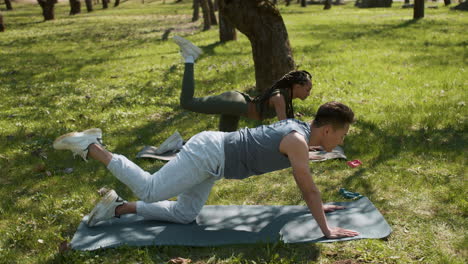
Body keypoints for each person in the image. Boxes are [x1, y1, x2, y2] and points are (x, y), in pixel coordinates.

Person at [53, 101, 359, 239]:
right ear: (329, 130)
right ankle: (92, 146)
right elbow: (308, 188)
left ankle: (119, 208)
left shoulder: (301, 131)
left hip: (214, 158)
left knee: (185, 214)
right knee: (150, 188)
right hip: (209, 154)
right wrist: (325, 229)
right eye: (343, 135)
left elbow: (308, 184)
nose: (343, 140)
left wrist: (317, 207)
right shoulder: (297, 141)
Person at [173, 35, 313, 132]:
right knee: (187, 102)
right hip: (234, 103)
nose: (309, 93)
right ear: (297, 86)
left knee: (225, 140)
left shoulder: (285, 97)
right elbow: (285, 127)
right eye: (307, 89)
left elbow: (290, 125)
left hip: (237, 106)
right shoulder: (279, 98)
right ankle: (190, 57)